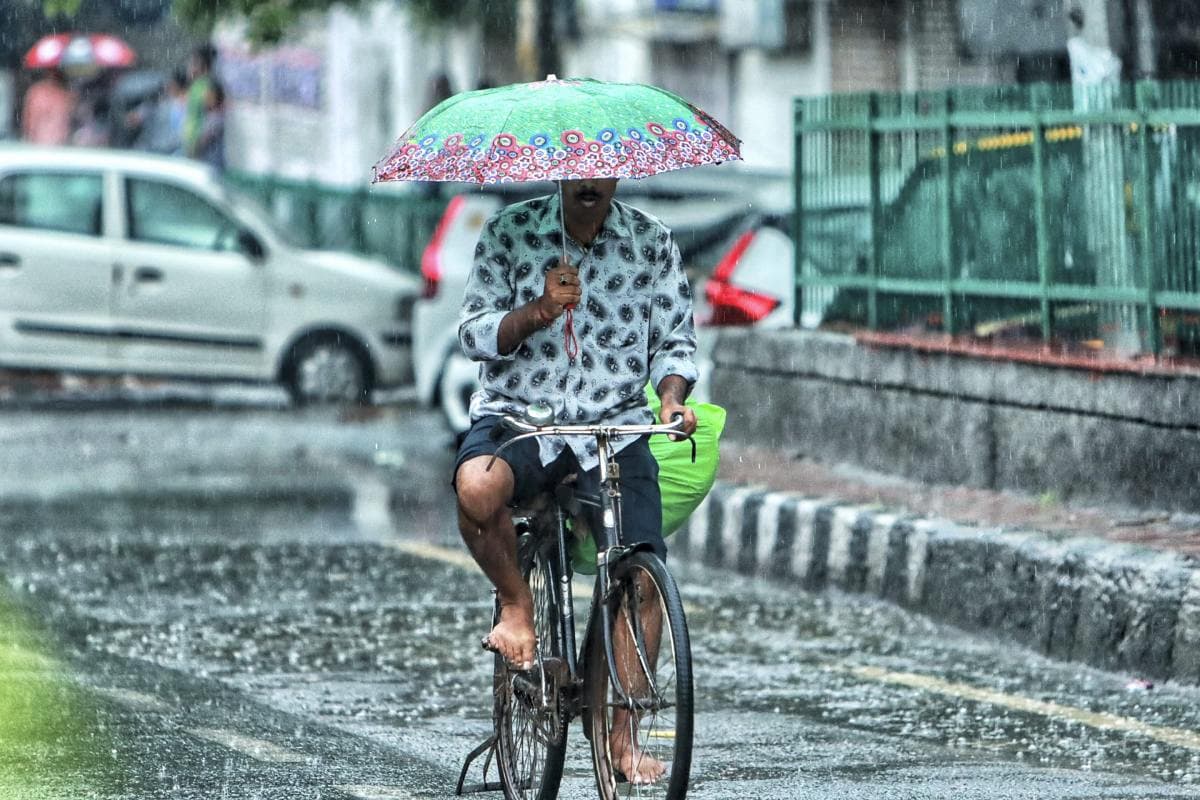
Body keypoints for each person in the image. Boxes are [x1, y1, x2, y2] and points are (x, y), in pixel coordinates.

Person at [453, 178, 698, 785]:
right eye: (577, 169)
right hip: (521, 418)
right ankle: (516, 607)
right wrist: (536, 311)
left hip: (613, 429)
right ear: (561, 174)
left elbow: (676, 346)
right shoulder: (510, 233)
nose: (589, 181)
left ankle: (622, 736)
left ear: (615, 173)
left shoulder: (652, 241)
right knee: (477, 489)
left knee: (642, 575)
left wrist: (671, 402)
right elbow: (474, 334)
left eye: (601, 169)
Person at [20, 68, 75, 145]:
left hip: (53, 141)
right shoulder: (37, 93)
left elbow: (29, 120)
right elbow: (30, 120)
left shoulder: (65, 94)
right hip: (45, 141)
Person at [182, 43, 216, 158]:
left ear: (203, 65)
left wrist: (200, 141)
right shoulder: (195, 85)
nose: (189, 66)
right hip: (190, 140)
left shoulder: (209, 86)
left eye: (193, 63)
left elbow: (213, 117)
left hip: (200, 144)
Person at [194, 80, 226, 172]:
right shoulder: (209, 115)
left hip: (212, 166)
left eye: (209, 96)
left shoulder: (217, 118)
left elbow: (202, 141)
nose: (205, 98)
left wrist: (193, 152)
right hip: (209, 164)